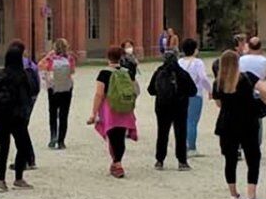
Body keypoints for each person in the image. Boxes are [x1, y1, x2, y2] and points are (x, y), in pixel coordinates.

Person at [212, 49, 266, 199]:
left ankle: (234, 194)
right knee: (253, 157)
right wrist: (263, 103)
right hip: (247, 121)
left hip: (227, 122)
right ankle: (251, 196)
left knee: (230, 159)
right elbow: (265, 90)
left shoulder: (218, 82)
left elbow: (218, 103)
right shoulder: (247, 77)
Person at [86, 44, 140, 178]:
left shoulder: (104, 73)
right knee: (120, 137)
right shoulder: (126, 72)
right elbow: (134, 90)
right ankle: (117, 162)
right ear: (121, 57)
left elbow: (99, 94)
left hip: (110, 109)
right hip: (125, 107)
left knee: (112, 136)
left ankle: (117, 164)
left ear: (107, 57)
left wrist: (93, 113)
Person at [0, 47, 35, 192]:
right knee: (21, 146)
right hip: (16, 116)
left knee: (3, 148)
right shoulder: (21, 75)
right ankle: (18, 178)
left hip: (0, 115)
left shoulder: (1, 74)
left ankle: (1, 181)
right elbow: (27, 95)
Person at [147, 50, 197, 170]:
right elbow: (193, 91)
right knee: (180, 134)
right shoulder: (182, 73)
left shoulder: (159, 72)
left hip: (162, 107)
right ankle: (182, 161)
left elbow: (150, 90)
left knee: (162, 133)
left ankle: (159, 160)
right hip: (180, 107)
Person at [9, 40, 41, 168]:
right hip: (31, 99)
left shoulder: (17, 64)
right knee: (22, 129)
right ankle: (30, 159)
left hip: (20, 102)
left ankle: (25, 160)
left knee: (19, 131)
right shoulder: (31, 64)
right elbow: (37, 84)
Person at [178, 37, 212, 157]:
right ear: (195, 50)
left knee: (183, 120)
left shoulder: (180, 62)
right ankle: (191, 147)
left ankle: (182, 144)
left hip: (181, 94)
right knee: (192, 121)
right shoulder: (198, 63)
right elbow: (203, 78)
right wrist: (210, 90)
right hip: (195, 93)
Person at [40, 38, 75, 150]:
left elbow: (40, 65)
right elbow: (72, 71)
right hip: (66, 88)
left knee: (53, 113)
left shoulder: (50, 59)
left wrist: (48, 56)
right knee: (64, 115)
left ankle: (53, 136)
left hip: (53, 88)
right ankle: (61, 141)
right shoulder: (70, 58)